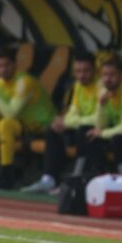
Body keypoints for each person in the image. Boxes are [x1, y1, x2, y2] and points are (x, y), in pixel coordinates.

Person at [0, 46, 55, 189]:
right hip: (22, 124)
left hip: (40, 125)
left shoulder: (24, 82)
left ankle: (7, 176)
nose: (3, 70)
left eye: (7, 65)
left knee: (6, 124)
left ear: (15, 65)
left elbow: (10, 114)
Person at [23, 49, 99, 193]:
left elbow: (98, 118)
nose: (81, 75)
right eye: (78, 71)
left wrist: (69, 122)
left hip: (99, 130)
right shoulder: (78, 85)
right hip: (80, 124)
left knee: (84, 131)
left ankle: (76, 180)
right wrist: (64, 121)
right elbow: (73, 110)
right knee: (53, 129)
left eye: (86, 71)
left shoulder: (101, 86)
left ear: (94, 70)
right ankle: (49, 179)